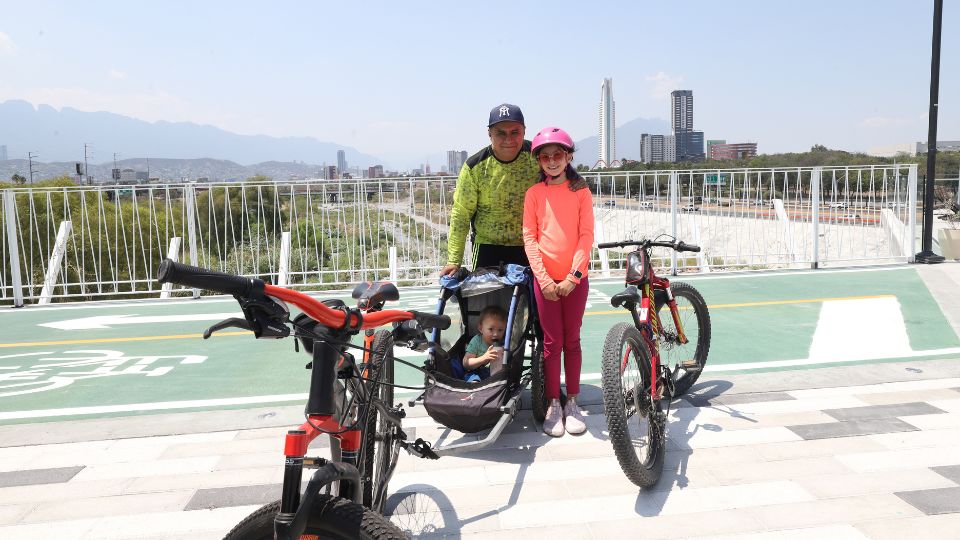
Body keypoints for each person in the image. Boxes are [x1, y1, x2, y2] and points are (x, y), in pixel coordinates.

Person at [522, 127, 594, 437]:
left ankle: (573, 401)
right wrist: (544, 279)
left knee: (572, 339)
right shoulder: (534, 194)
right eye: (545, 156)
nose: (552, 161)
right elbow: (530, 237)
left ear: (568, 157)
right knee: (551, 343)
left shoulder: (581, 191)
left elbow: (585, 236)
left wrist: (573, 277)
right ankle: (553, 402)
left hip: (575, 281)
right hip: (545, 282)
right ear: (539, 161)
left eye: (558, 155)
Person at [440, 103, 541, 277]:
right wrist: (453, 260)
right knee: (488, 303)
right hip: (487, 247)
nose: (508, 139)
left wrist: (577, 182)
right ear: (489, 134)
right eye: (500, 133)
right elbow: (461, 214)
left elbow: (561, 170)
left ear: (524, 131)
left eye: (514, 132)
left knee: (530, 303)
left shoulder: (538, 157)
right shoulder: (474, 167)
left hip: (531, 245)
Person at [460, 305, 507, 383]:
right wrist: (484, 358)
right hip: (476, 371)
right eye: (491, 329)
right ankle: (475, 388)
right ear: (481, 329)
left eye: (500, 330)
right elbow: (466, 363)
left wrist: (505, 354)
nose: (495, 334)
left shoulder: (504, 342)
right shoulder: (477, 341)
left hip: (496, 374)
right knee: (472, 377)